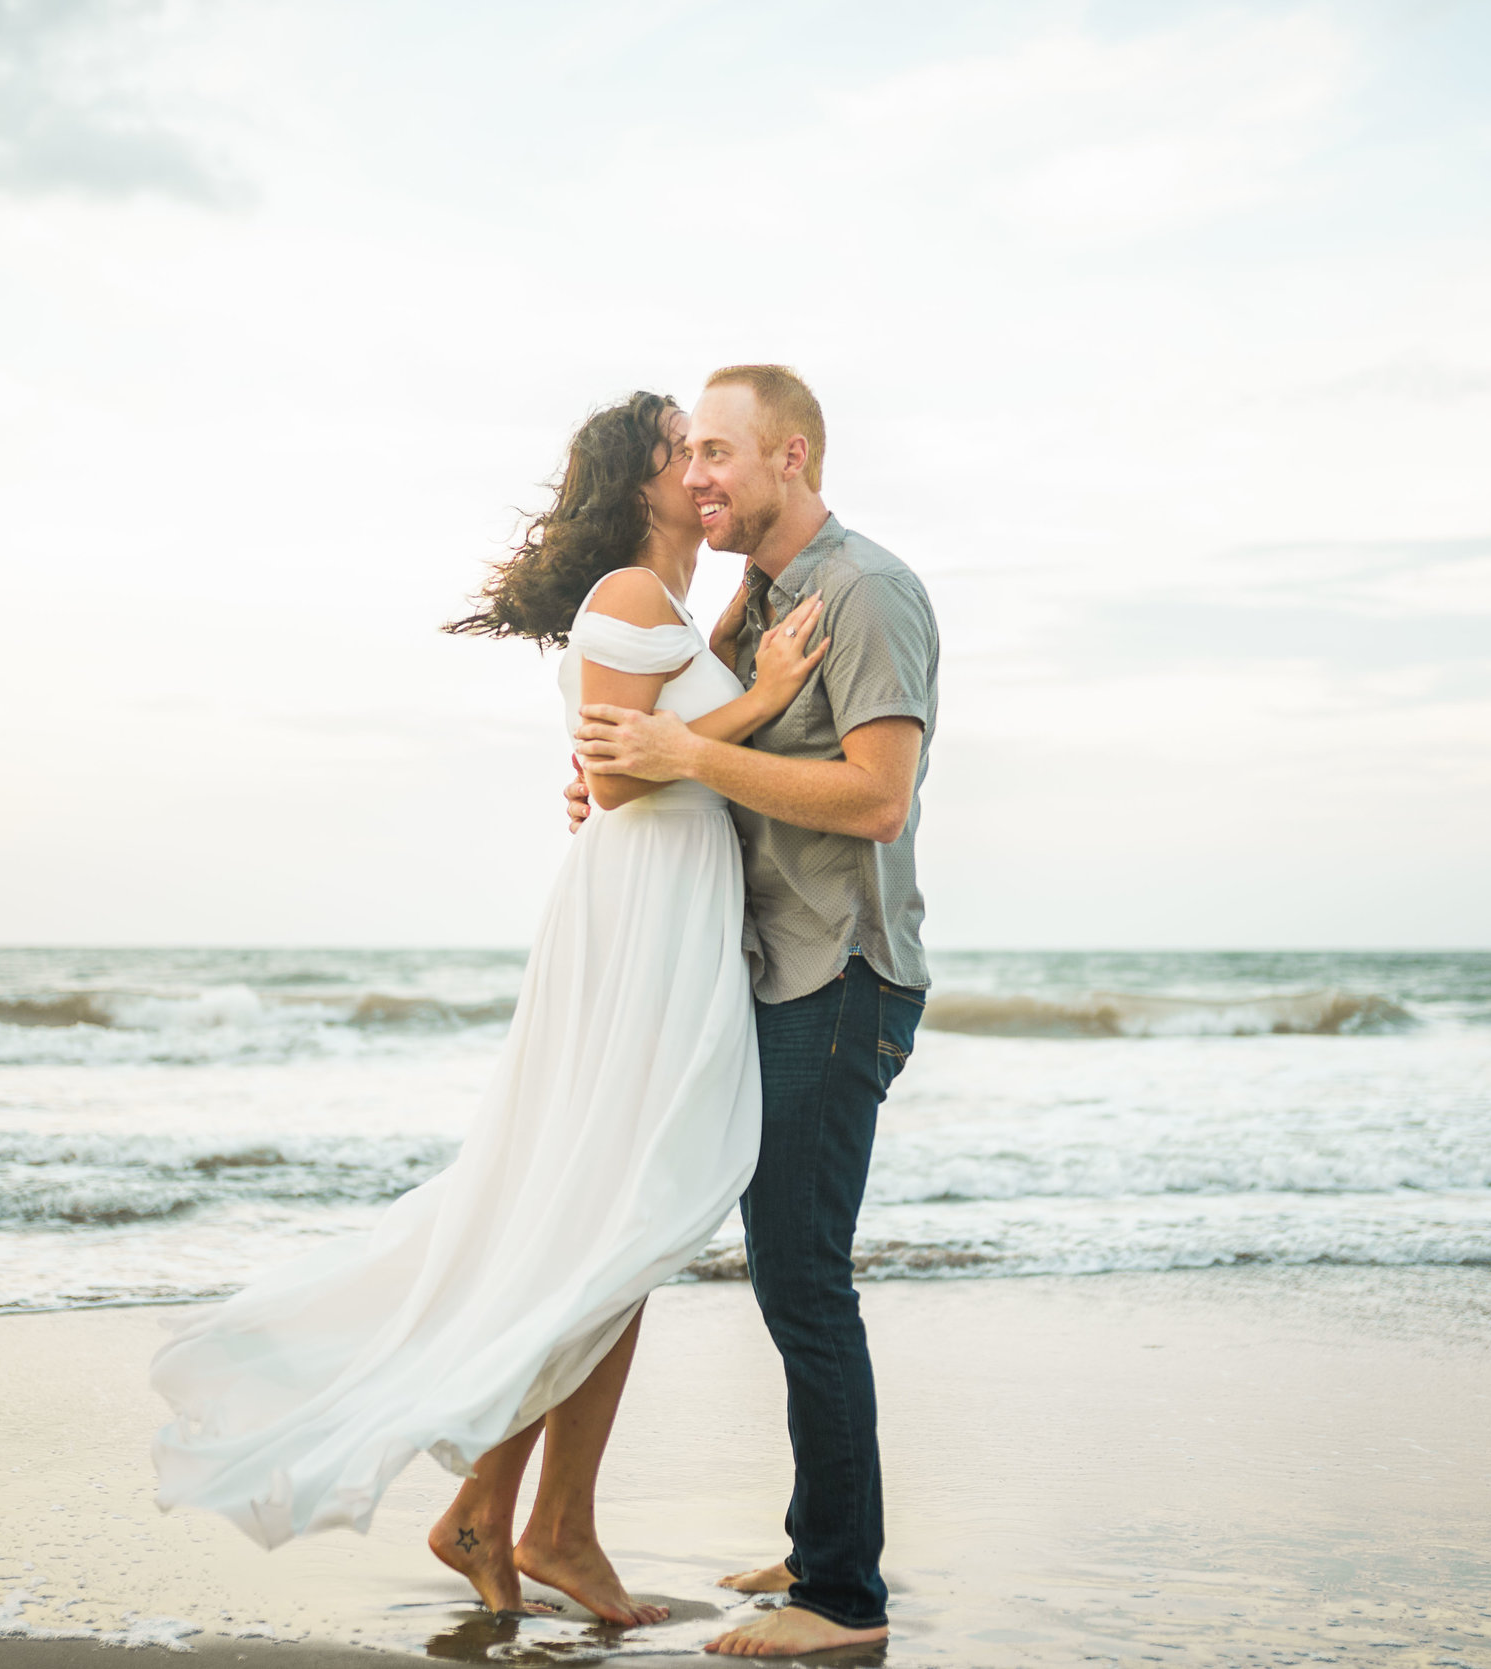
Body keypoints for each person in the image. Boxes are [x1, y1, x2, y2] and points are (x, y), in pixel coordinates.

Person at [148, 391, 832, 1628]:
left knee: (620, 1216)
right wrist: (766, 691)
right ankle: (525, 1517)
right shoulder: (626, 593)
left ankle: (531, 1516)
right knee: (616, 1213)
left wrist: (737, 679)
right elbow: (622, 780)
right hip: (636, 923)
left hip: (669, 918)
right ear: (641, 481)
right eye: (683, 448)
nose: (702, 466)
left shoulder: (669, 604)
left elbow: (629, 755)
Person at [570, 364, 939, 1658]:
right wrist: (632, 788)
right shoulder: (757, 605)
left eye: (722, 452)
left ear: (792, 457)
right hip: (777, 971)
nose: (704, 476)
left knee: (803, 1277)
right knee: (788, 1274)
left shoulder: (867, 590)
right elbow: (701, 758)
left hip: (842, 974)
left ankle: (842, 1597)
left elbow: (877, 795)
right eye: (695, 457)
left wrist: (684, 759)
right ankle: (818, 1531)